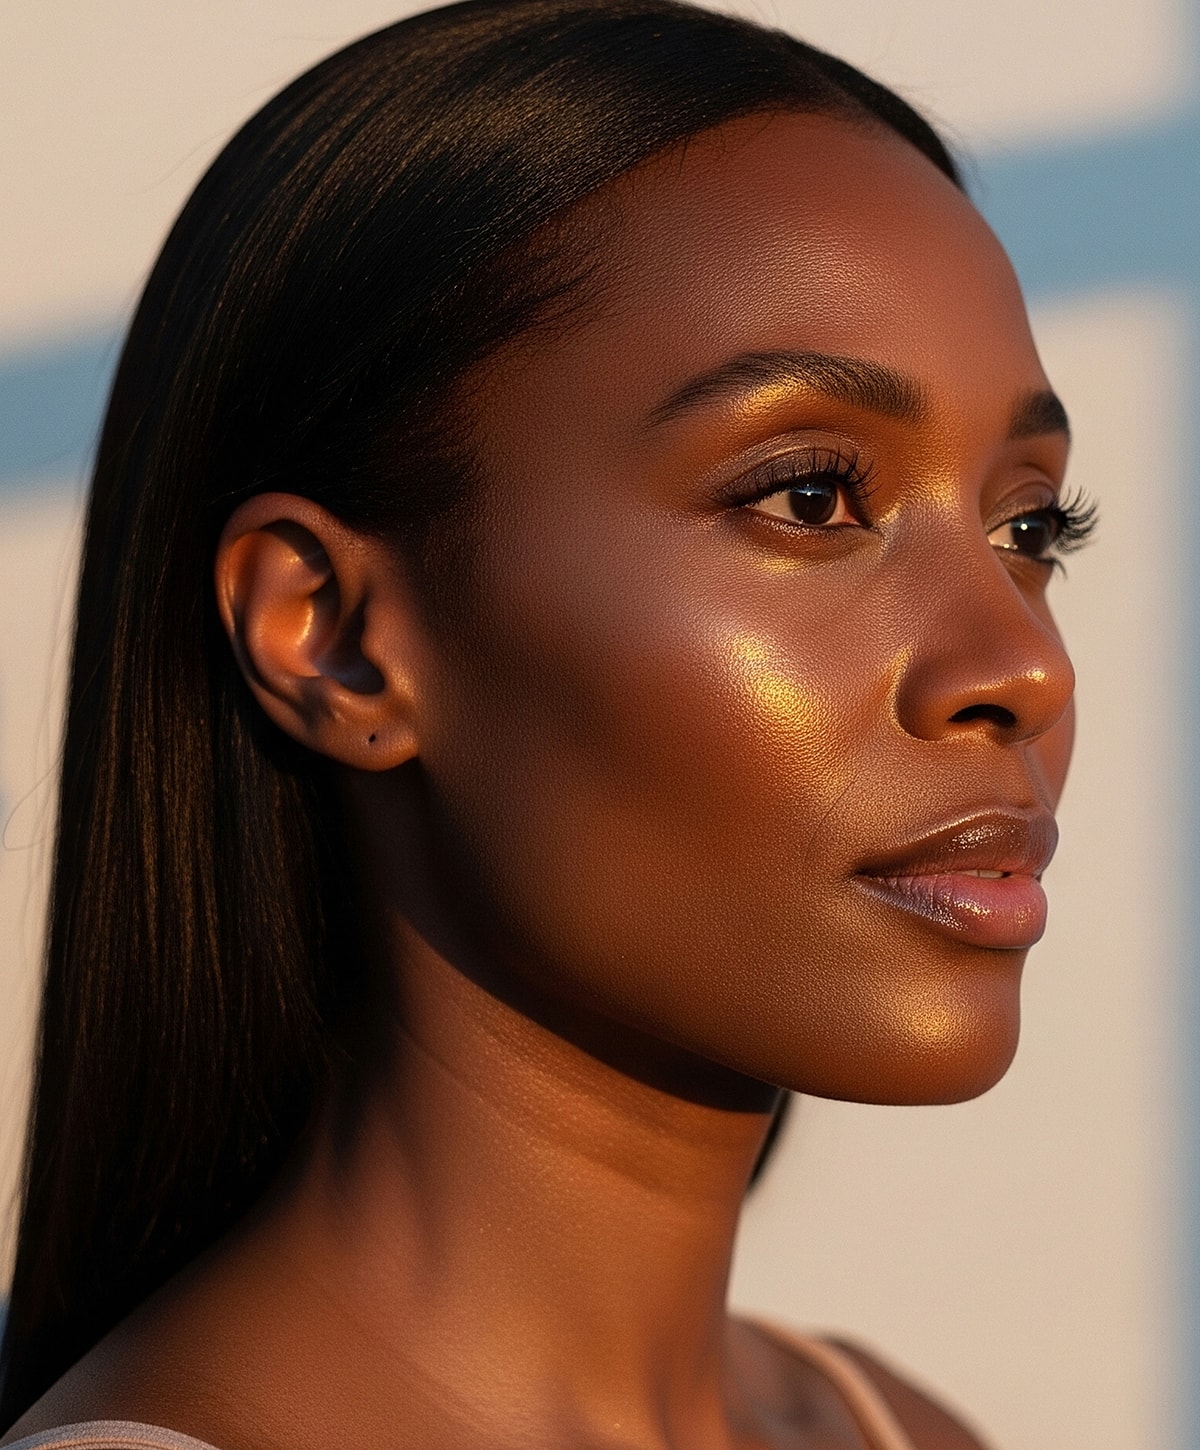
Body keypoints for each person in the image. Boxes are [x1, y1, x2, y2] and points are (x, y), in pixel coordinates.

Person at [0, 0, 1094, 1446]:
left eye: (1029, 523)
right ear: (330, 635)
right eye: (812, 495)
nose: (1023, 663)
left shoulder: (886, 1424)